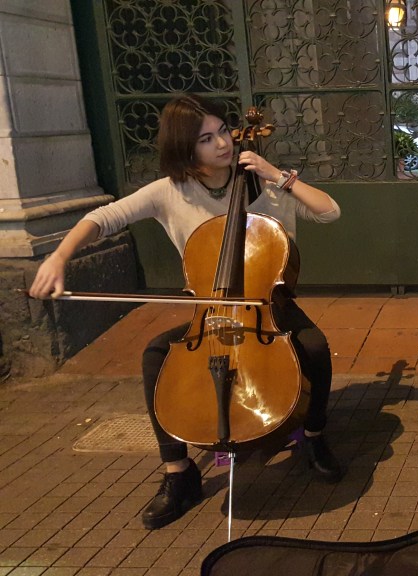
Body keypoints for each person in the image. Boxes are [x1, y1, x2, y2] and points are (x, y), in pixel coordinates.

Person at [28, 94, 345, 529]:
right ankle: (178, 472)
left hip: (267, 306)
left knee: (315, 347)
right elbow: (104, 217)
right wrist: (59, 257)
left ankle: (314, 436)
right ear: (184, 148)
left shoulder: (264, 181)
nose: (222, 144)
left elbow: (330, 212)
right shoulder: (169, 192)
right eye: (205, 139)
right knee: (156, 355)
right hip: (211, 310)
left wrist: (280, 177)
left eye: (223, 132)